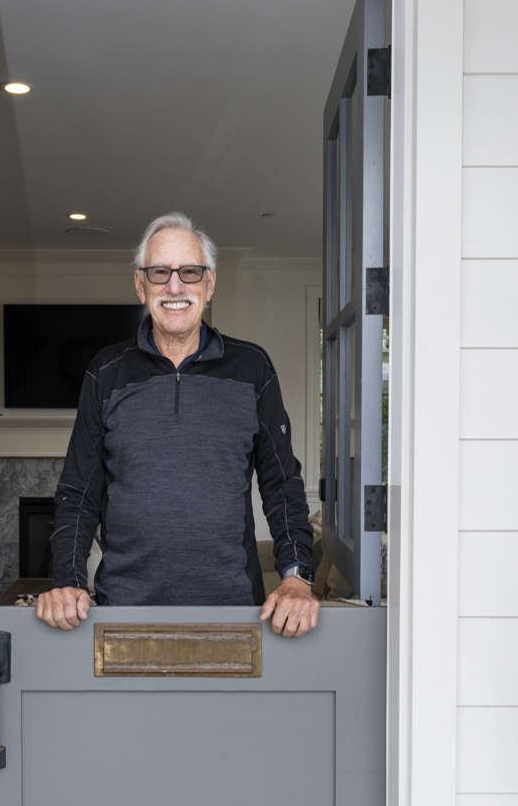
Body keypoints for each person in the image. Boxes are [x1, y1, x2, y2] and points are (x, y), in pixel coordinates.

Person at [37, 212, 319, 636]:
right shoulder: (105, 372)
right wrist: (68, 581)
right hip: (124, 615)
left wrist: (297, 577)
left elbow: (281, 485)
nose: (174, 286)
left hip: (234, 614)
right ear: (140, 284)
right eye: (159, 272)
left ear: (210, 284)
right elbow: (78, 492)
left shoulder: (253, 368)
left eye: (190, 272)